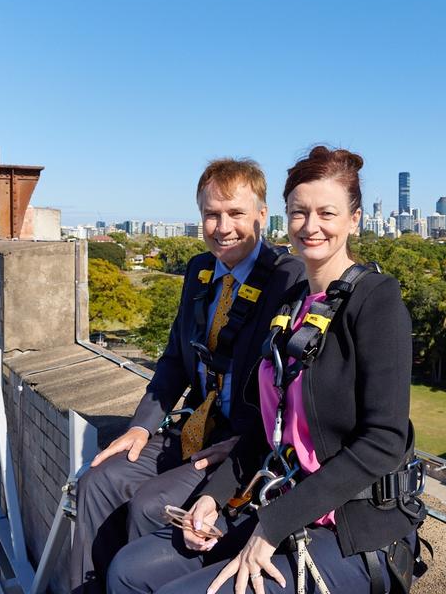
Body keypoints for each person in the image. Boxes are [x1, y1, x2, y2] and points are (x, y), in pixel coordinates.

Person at [108, 145, 425, 594]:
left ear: (354, 219)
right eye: (299, 213)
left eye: (326, 213)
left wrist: (272, 525)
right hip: (282, 501)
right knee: (128, 570)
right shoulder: (293, 304)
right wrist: (213, 499)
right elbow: (267, 427)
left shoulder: (376, 301)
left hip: (350, 527)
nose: (311, 227)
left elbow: (383, 442)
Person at [71, 158, 305, 593]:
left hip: (242, 445)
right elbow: (176, 360)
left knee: (149, 504)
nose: (223, 226)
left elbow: (289, 385)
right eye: (212, 214)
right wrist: (140, 425)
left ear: (261, 214)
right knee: (98, 482)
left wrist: (244, 443)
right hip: (198, 427)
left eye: (236, 213)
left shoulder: (286, 278)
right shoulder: (199, 270)